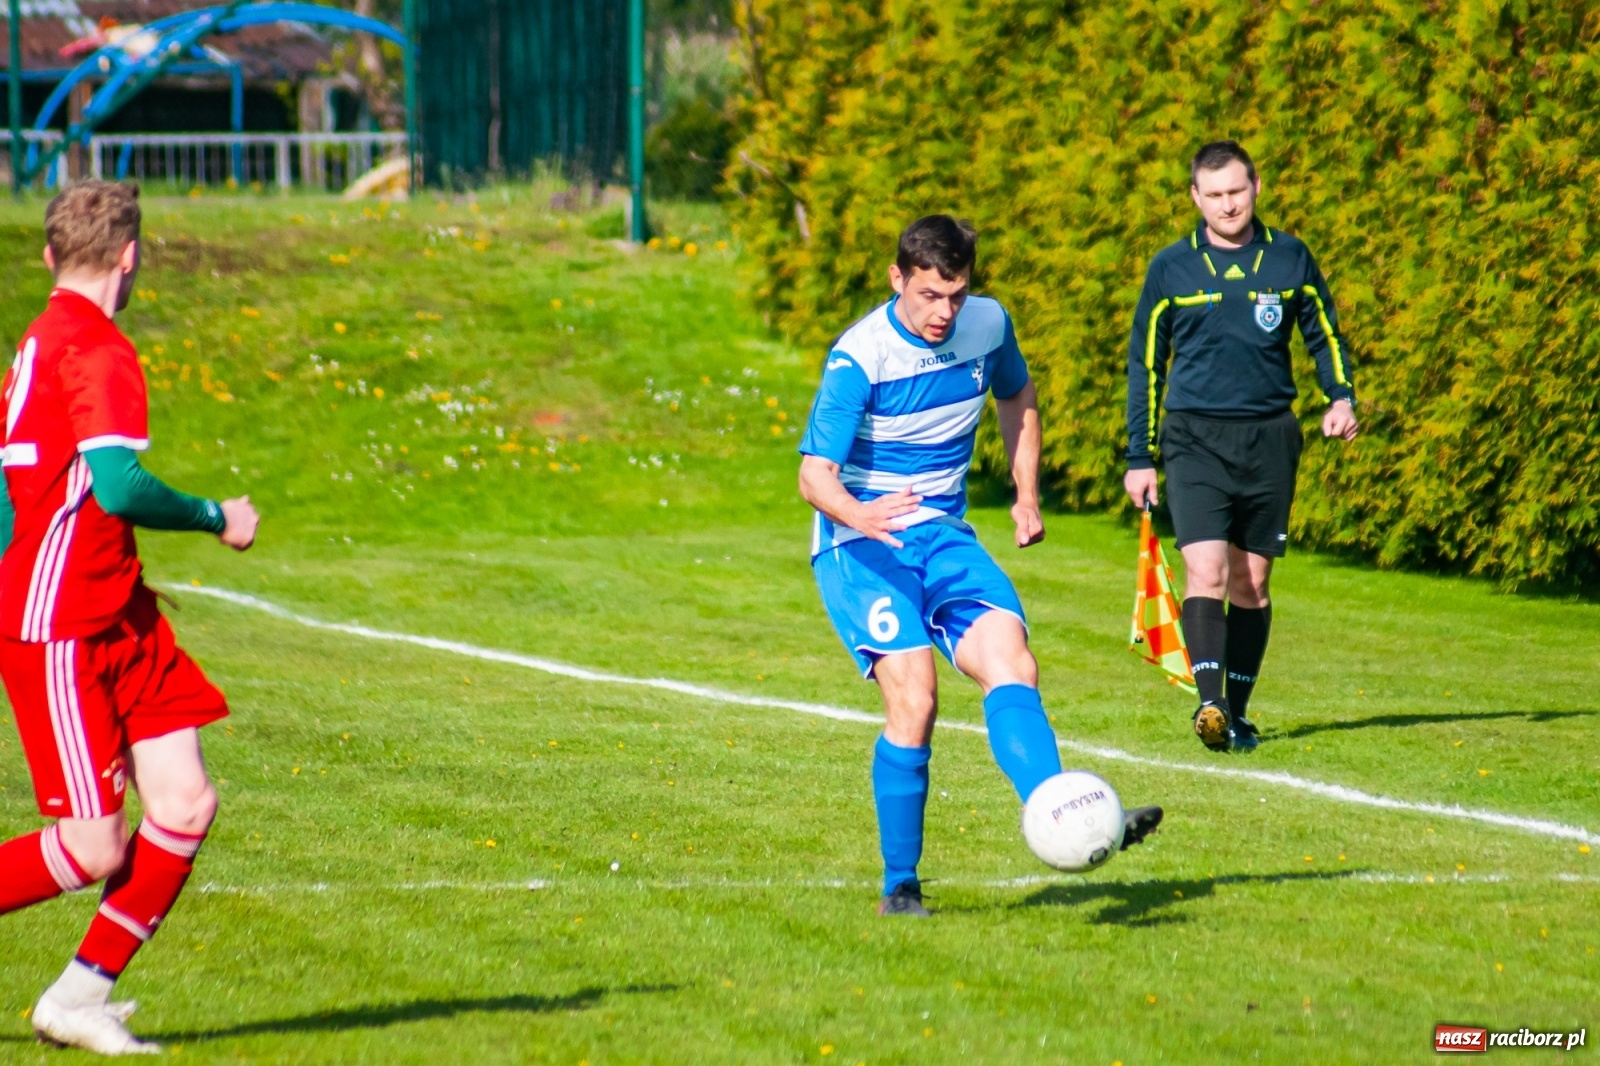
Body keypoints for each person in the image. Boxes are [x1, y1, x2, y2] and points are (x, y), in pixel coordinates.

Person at [800, 214, 1163, 916]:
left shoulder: (989, 325)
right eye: (930, 295)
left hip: (944, 535)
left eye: (956, 295)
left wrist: (1027, 493)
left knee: (1012, 662)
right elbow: (814, 477)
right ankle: (899, 885)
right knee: (916, 697)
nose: (944, 312)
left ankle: (1064, 814)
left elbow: (1017, 396)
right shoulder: (859, 358)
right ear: (897, 279)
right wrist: (862, 515)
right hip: (860, 545)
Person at [0, 181, 259, 1055]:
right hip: (62, 626)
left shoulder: (36, 342)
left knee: (184, 801)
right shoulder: (100, 351)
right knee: (91, 846)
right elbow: (118, 486)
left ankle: (78, 998)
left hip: (118, 613)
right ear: (130, 257)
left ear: (49, 258)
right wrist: (216, 517)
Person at [1124, 141, 1358, 754]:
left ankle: (1237, 712)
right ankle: (1210, 703)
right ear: (1196, 197)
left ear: (1256, 185)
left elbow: (1324, 332)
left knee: (1251, 582)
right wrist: (1139, 456)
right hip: (1194, 437)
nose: (1228, 204)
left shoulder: (1289, 258)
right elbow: (1146, 364)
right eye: (1215, 194)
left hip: (1270, 438)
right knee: (1206, 569)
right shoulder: (1172, 268)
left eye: (1237, 190)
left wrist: (1340, 398)